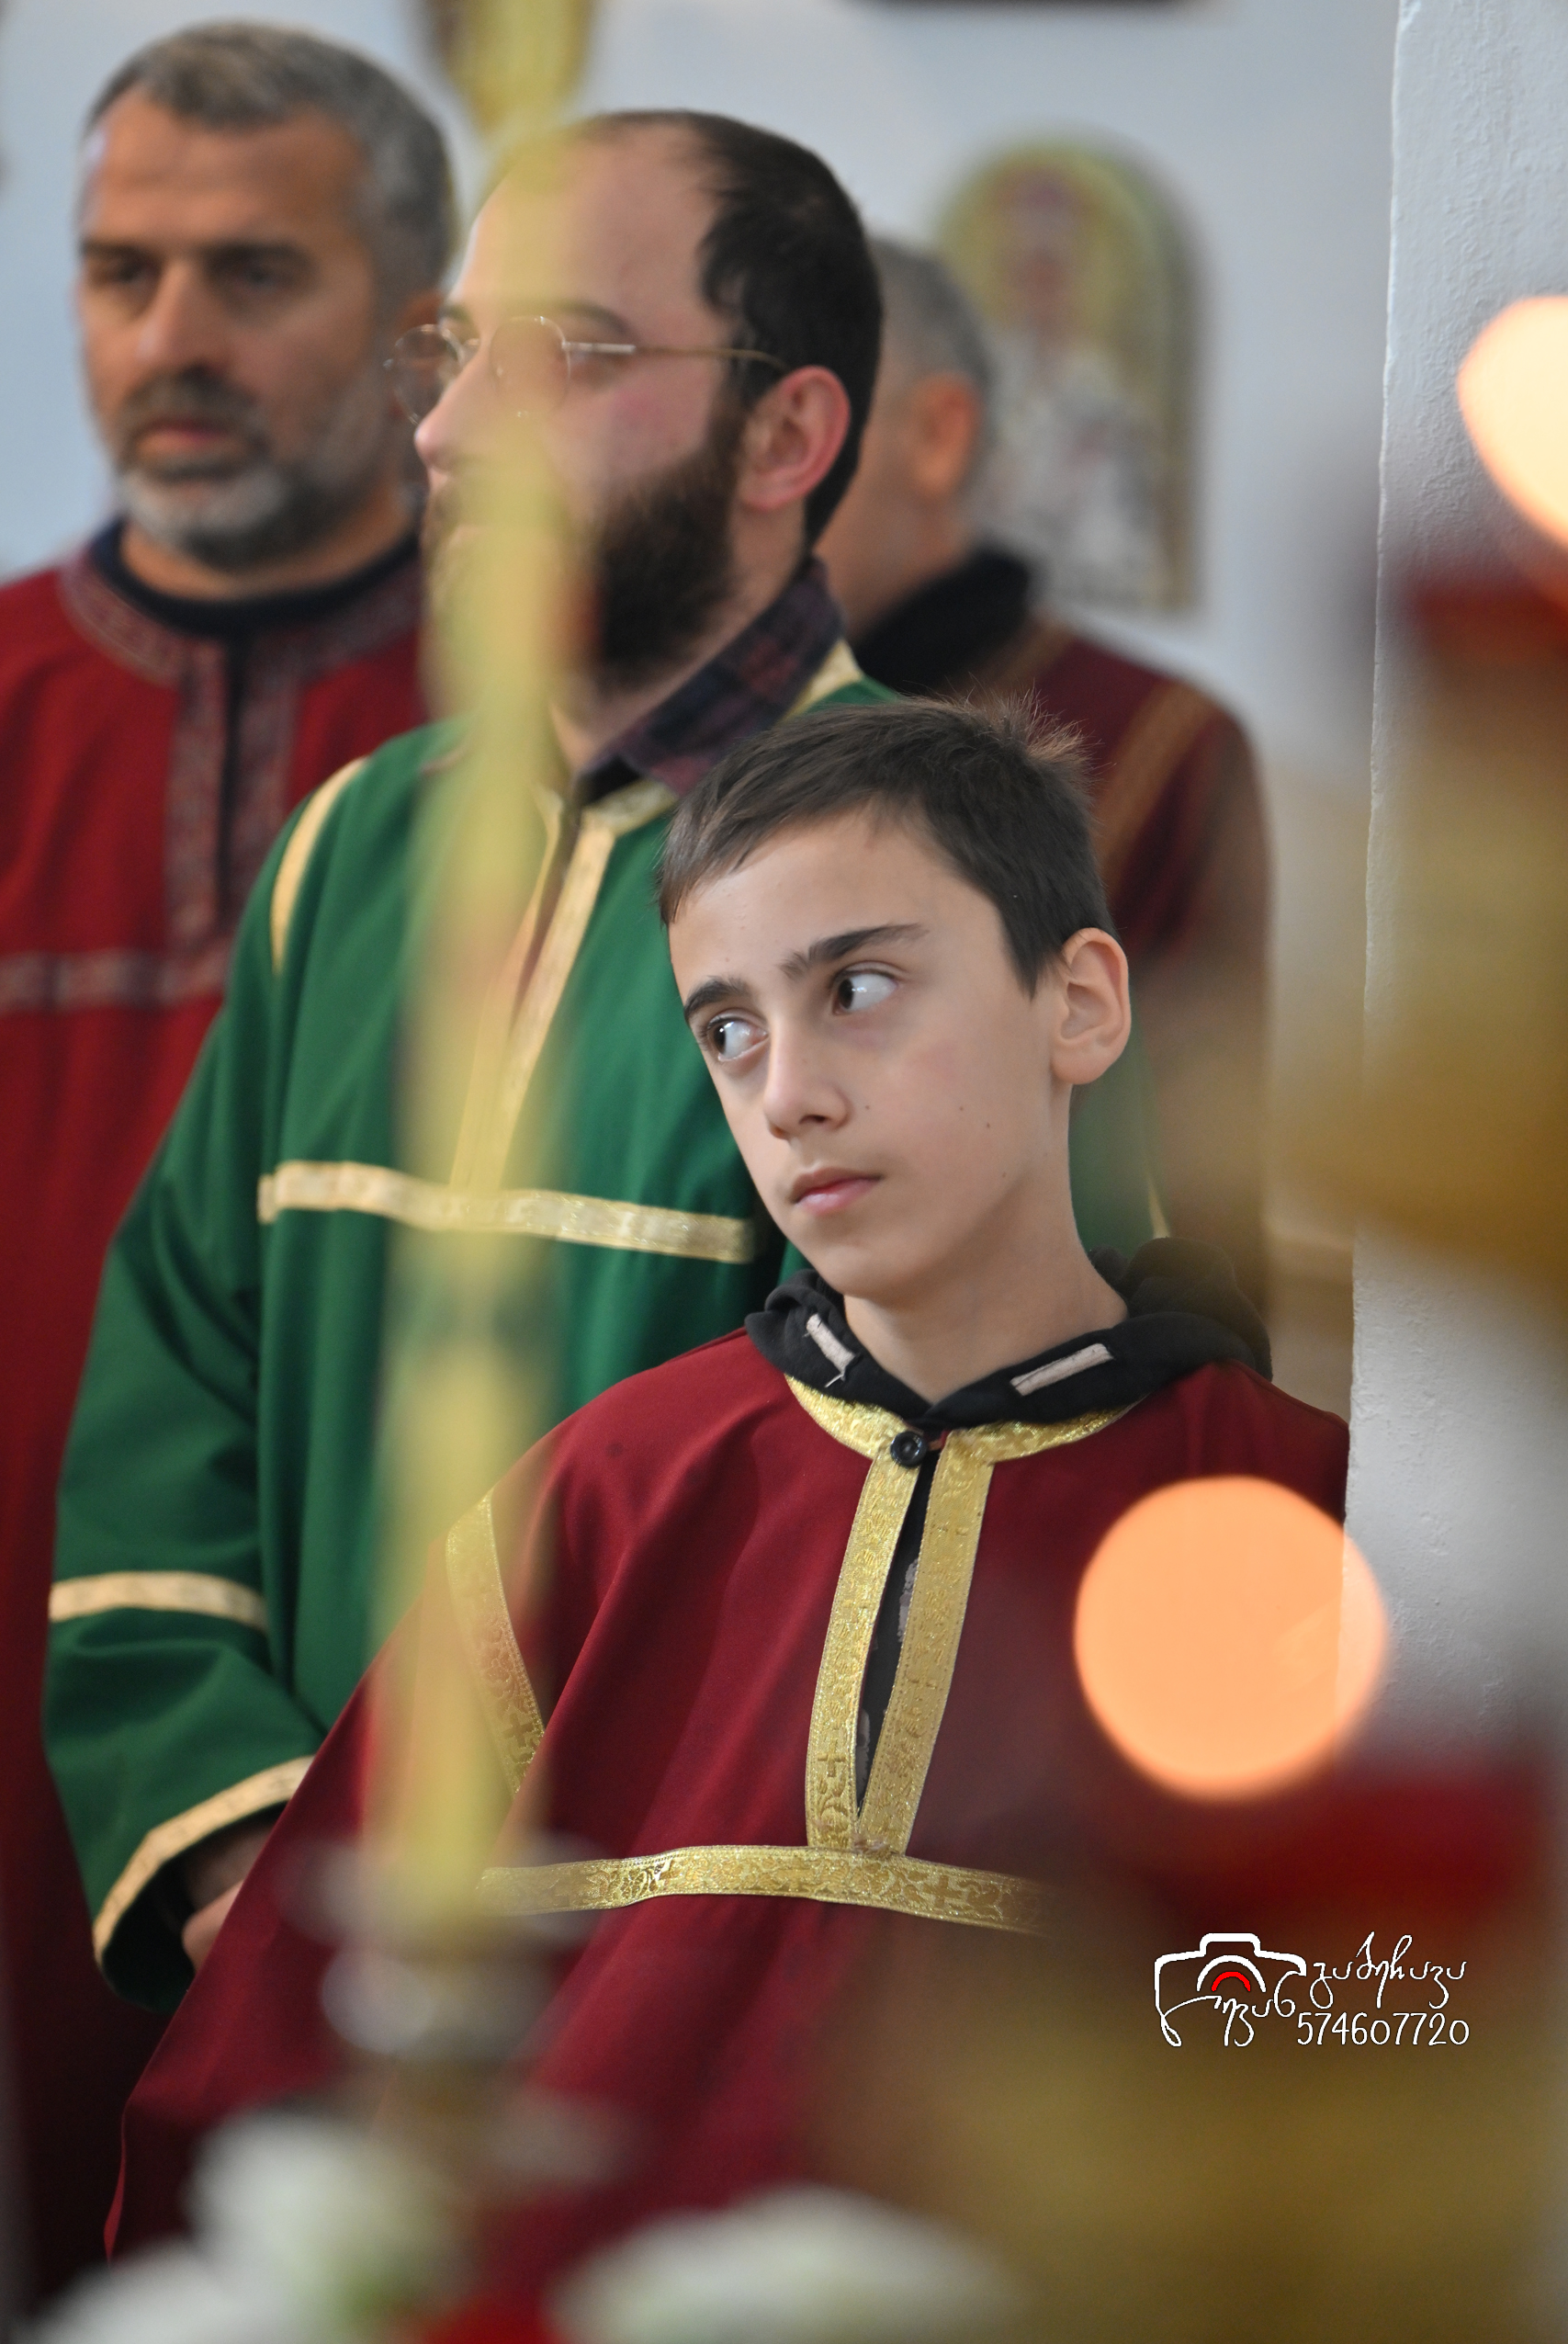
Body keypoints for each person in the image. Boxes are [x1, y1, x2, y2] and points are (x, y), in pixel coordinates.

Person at [46, 110, 1166, 2029]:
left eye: (561, 353)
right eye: (448, 353)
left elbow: (981, 1498)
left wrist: (621, 1946)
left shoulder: (952, 891)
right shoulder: (352, 852)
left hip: (690, 1995)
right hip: (302, 1972)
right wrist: (247, 1863)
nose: (447, 434)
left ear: (786, 436)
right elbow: (175, 1386)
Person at [107, 698, 1347, 2280]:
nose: (788, 1093)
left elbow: (1391, 2073)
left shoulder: (1292, 1519)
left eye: (860, 988)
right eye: (728, 1030)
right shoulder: (602, 1493)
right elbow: (281, 2065)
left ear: (1080, 1003)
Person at [0, 25, 450, 2296]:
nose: (169, 336)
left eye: (252, 274)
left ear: (421, 331)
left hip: (386, 1717)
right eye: (122, 273)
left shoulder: (550, 745)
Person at [818, 237, 1269, 1304]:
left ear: (935, 435)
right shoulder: (698, 723)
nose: (752, 481)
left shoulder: (1154, 738)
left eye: (808, 428)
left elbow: (1196, 1189)